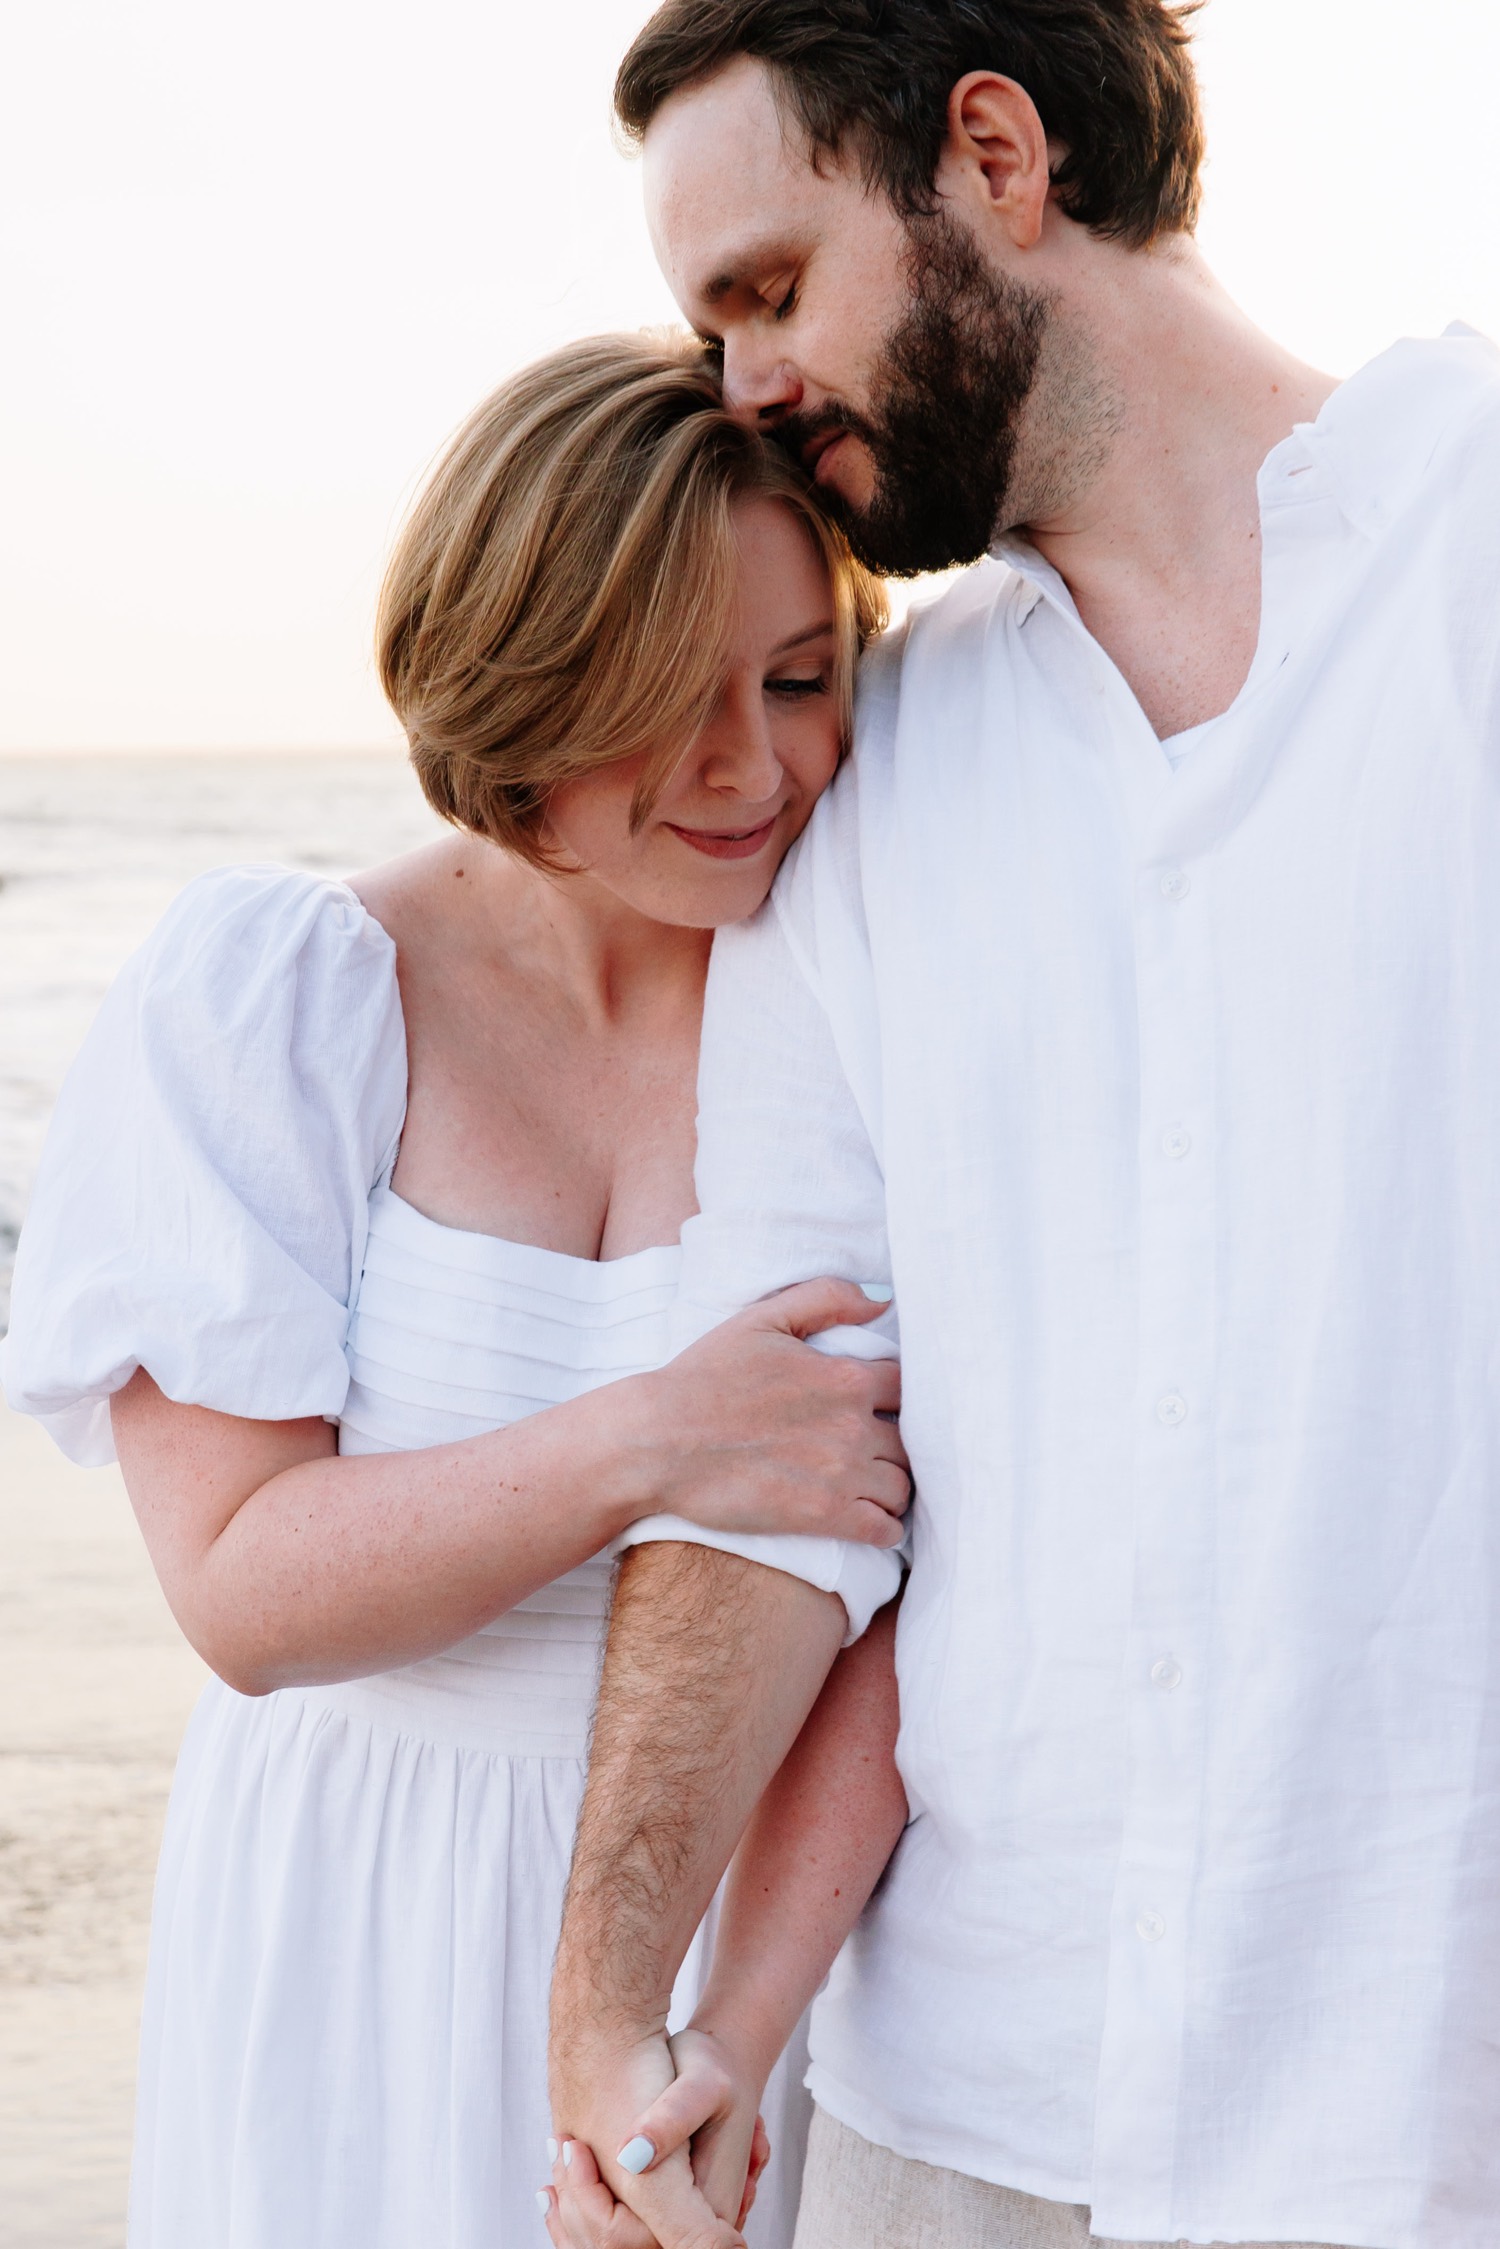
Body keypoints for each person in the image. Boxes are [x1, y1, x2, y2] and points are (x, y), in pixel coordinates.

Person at [545, 5, 1500, 2248]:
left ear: (993, 153)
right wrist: (625, 2008)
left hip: (1437, 2098)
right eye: (708, 329)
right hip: (966, 2124)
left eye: (769, 291)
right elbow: (784, 1479)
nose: (743, 389)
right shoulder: (875, 773)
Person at [0, 332, 909, 2249]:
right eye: (674, 699)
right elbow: (246, 1591)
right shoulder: (287, 995)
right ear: (524, 678)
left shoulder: (856, 1005)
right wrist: (657, 1437)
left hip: (749, 1936)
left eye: (803, 680)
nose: (759, 766)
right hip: (360, 1909)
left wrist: (722, 2018)